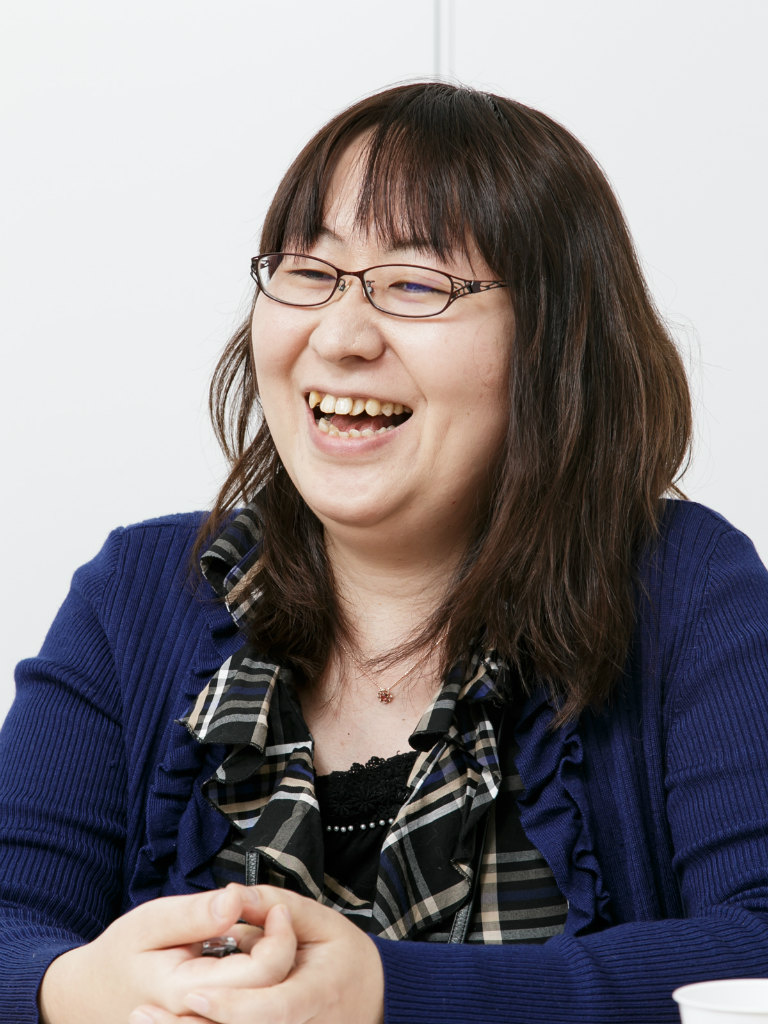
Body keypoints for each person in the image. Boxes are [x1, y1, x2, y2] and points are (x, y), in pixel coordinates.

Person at [1, 81, 768, 1024]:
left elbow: (759, 936)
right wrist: (71, 988)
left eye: (415, 284)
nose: (339, 335)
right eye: (308, 272)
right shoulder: (136, 596)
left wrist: (383, 993)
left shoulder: (687, 590)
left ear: (554, 343)